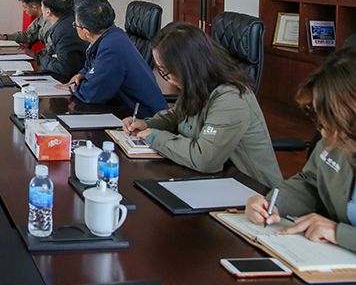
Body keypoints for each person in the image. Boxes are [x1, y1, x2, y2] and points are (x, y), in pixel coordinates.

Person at [123, 22, 281, 187]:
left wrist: (155, 137)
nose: (168, 79)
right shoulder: (197, 84)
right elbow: (177, 115)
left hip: (251, 191)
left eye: (167, 71)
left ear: (188, 66)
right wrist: (147, 124)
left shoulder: (231, 98)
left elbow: (205, 158)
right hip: (210, 180)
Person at [245, 48, 356, 252]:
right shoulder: (333, 143)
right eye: (322, 123)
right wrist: (271, 203)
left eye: (334, 125)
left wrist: (339, 233)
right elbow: (311, 182)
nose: (324, 134)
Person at [67, 0, 167, 117]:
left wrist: (74, 87)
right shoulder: (112, 34)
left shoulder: (111, 48)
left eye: (75, 25)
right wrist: (82, 74)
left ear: (86, 32)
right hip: (125, 111)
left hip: (144, 119)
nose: (75, 27)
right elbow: (92, 65)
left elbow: (92, 94)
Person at [37, 0, 88, 82]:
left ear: (48, 12)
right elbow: (52, 54)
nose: (41, 8)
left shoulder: (63, 30)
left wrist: (44, 59)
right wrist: (53, 57)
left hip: (73, 81)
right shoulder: (67, 20)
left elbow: (64, 68)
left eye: (42, 5)